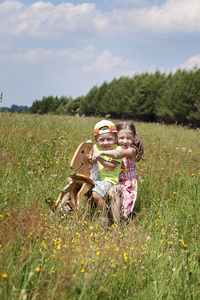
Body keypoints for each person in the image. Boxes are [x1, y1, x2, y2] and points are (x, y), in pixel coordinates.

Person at [91, 121, 144, 223]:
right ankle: (107, 216)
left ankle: (117, 223)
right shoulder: (113, 148)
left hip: (126, 182)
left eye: (129, 138)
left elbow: (119, 154)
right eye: (121, 138)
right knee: (104, 191)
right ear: (116, 138)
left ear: (133, 138)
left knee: (113, 192)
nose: (125, 141)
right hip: (115, 179)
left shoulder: (132, 150)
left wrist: (101, 153)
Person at [88, 120, 122, 221]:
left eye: (109, 139)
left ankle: (105, 217)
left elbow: (111, 166)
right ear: (96, 140)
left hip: (109, 180)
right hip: (95, 179)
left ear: (116, 139)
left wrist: (99, 157)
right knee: (74, 183)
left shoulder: (118, 150)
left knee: (96, 194)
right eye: (101, 140)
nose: (105, 143)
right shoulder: (95, 148)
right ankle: (68, 207)